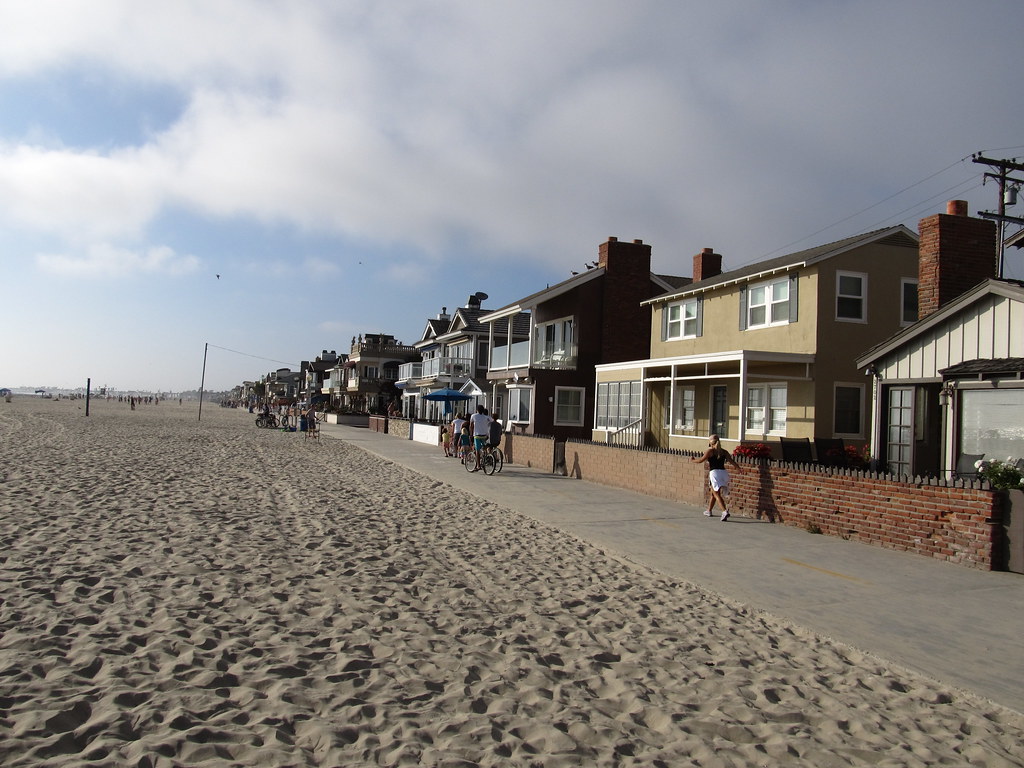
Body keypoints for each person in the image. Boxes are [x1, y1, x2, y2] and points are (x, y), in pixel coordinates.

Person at [691, 434, 741, 521]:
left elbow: (700, 460)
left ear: (710, 443)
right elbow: (731, 461)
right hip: (723, 473)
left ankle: (724, 511)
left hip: (714, 473)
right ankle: (709, 510)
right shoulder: (724, 452)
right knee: (713, 493)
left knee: (716, 494)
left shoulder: (710, 451)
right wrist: (738, 468)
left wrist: (693, 460)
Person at [468, 405, 494, 470]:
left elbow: (471, 426)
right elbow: (493, 420)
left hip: (477, 435)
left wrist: (471, 434)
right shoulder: (486, 417)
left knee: (477, 450)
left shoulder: (473, 416)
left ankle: (478, 465)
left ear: (477, 410)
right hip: (484, 436)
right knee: (484, 448)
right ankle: (485, 458)